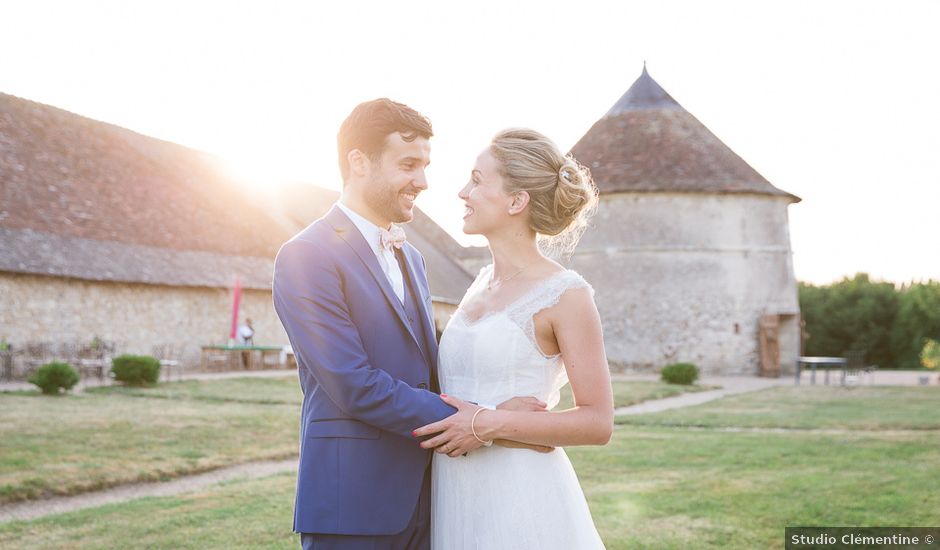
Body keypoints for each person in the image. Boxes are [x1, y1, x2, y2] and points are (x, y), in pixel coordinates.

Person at [272, 100, 547, 550]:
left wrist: (497, 410)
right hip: (353, 504)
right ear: (359, 162)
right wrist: (481, 419)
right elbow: (352, 384)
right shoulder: (307, 255)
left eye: (425, 165)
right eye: (408, 164)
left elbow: (429, 368)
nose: (422, 181)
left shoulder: (412, 258)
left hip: (431, 496)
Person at [413, 128, 614, 549]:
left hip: (521, 496)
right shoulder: (480, 282)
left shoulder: (566, 294)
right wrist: (496, 422)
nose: (462, 192)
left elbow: (597, 422)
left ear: (516, 201)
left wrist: (487, 424)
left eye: (477, 180)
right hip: (456, 489)